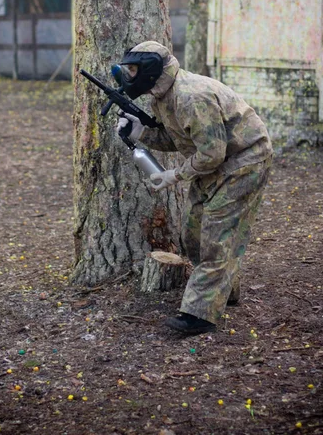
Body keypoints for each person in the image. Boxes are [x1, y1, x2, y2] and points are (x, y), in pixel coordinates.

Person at [116, 41, 273, 335]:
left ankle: (199, 315)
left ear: (150, 69)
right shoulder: (163, 97)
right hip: (216, 162)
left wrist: (175, 175)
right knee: (193, 233)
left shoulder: (190, 97)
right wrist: (140, 132)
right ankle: (221, 293)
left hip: (245, 161)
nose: (129, 77)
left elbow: (211, 153)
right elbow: (181, 139)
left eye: (134, 70)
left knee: (216, 237)